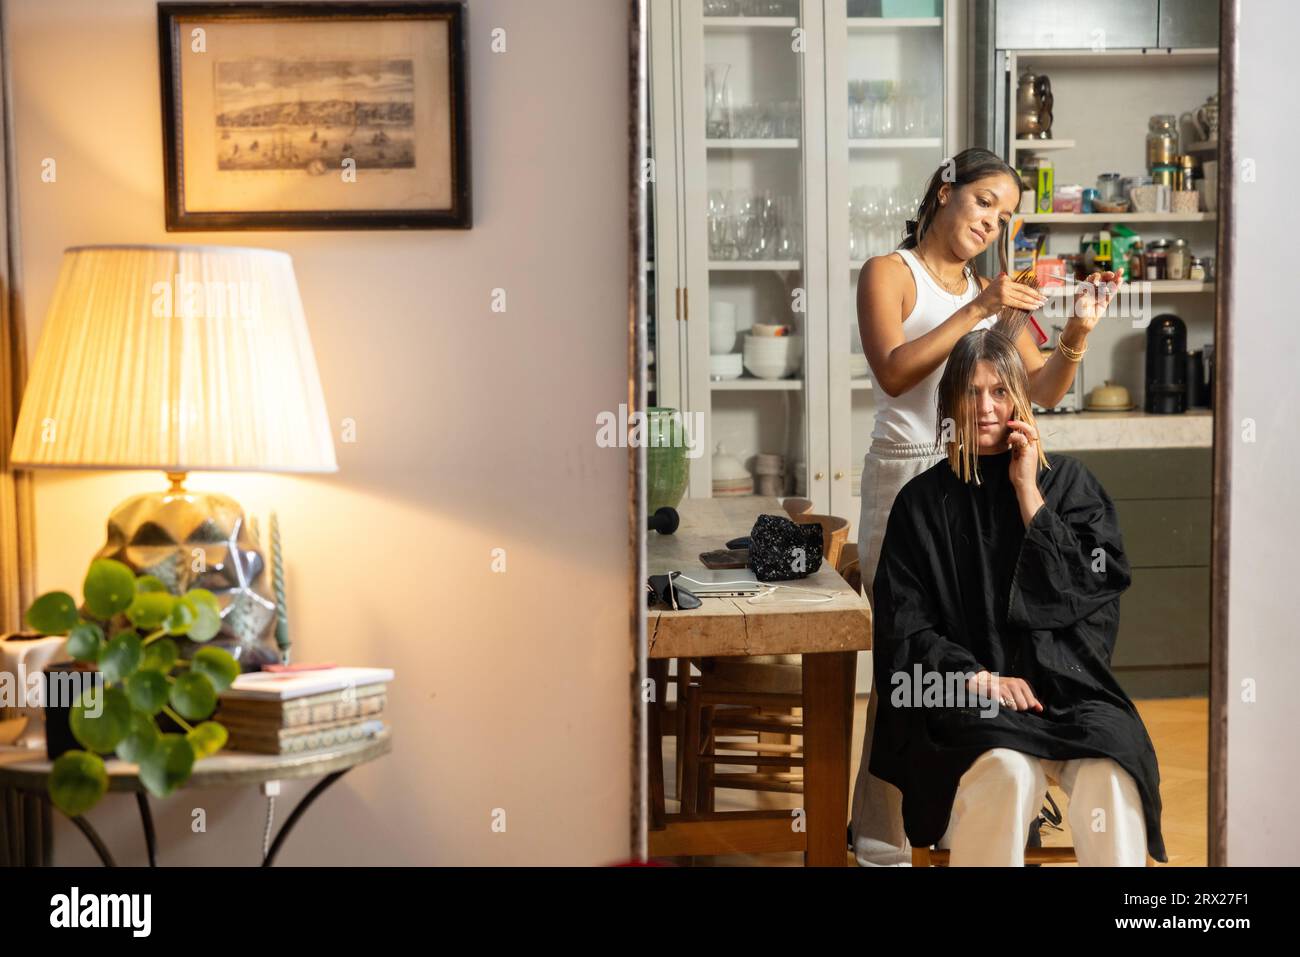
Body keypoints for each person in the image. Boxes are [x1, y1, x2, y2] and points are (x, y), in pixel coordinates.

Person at [850, 147, 1122, 866]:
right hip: (907, 476)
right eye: (983, 205)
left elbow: (1044, 388)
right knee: (903, 657)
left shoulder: (988, 288)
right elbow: (894, 367)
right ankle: (881, 840)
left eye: (1004, 217)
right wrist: (981, 307)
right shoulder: (891, 273)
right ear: (947, 191)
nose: (992, 224)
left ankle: (973, 811)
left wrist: (1077, 331)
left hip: (979, 479)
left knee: (987, 640)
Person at [864, 329, 1167, 866]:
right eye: (972, 392)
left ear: (1021, 399)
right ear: (949, 402)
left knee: (1113, 767)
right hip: (971, 698)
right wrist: (978, 679)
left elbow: (1089, 591)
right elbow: (903, 629)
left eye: (1000, 391)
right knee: (1008, 768)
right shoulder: (921, 504)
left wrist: (1030, 494)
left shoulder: (1069, 485)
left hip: (1069, 693)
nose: (985, 407)